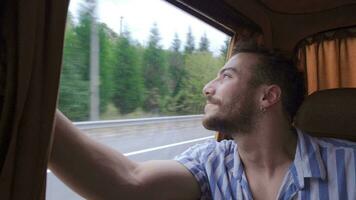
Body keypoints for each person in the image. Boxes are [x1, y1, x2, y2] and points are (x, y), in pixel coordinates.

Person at [49, 41, 356, 200]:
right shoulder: (210, 163)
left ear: (268, 97)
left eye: (227, 76)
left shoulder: (349, 167)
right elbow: (127, 182)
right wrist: (27, 101)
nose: (207, 88)